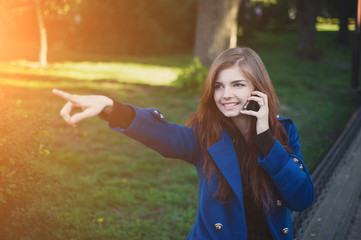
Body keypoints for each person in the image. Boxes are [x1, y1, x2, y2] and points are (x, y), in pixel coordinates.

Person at [53, 47, 314, 240]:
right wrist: (111, 108)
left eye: (237, 84)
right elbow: (164, 136)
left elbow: (302, 199)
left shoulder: (283, 132)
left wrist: (265, 138)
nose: (226, 95)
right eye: (219, 86)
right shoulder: (205, 135)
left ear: (257, 89)